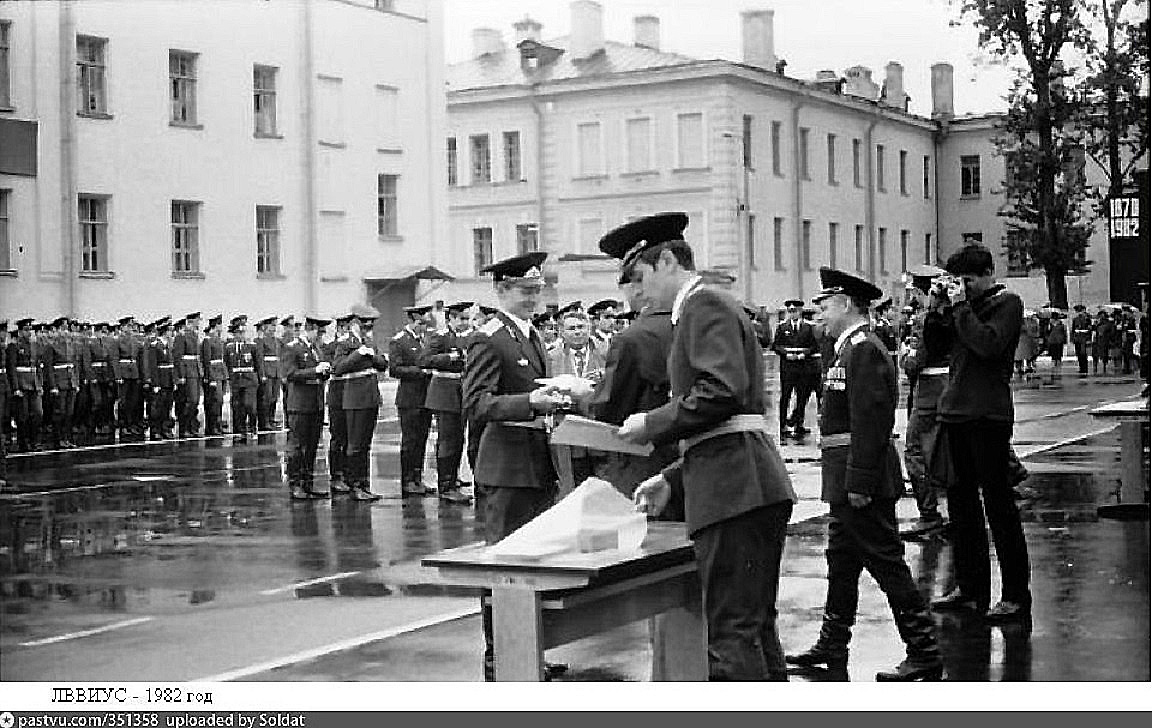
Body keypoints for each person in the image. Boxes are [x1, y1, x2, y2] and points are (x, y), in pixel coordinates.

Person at [616, 213, 797, 681]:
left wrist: (651, 423)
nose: (637, 292)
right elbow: (725, 418)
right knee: (753, 628)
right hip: (743, 481)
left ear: (669, 260)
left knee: (732, 634)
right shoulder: (705, 306)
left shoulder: (702, 306)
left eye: (640, 276)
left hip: (734, 490)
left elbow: (721, 393)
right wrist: (672, 479)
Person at [786, 266, 943, 682]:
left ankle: (924, 649)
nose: (817, 311)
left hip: (862, 478)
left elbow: (871, 421)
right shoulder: (844, 347)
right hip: (845, 477)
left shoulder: (863, 349)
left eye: (823, 304)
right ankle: (832, 642)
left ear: (845, 304)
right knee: (841, 561)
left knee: (886, 562)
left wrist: (858, 481)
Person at [462, 250, 569, 681]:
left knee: (533, 566)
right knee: (505, 568)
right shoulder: (490, 337)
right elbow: (477, 402)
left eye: (536, 290)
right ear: (501, 290)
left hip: (536, 463)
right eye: (525, 291)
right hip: (506, 467)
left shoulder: (529, 334)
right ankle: (499, 656)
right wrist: (530, 402)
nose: (532, 298)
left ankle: (529, 650)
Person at [928, 243, 1031, 624]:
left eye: (968, 281)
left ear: (987, 273)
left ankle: (1016, 594)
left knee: (999, 505)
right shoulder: (961, 309)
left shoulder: (1007, 303)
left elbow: (988, 345)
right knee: (961, 506)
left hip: (988, 413)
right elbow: (935, 348)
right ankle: (970, 587)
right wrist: (936, 309)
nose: (964, 288)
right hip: (955, 412)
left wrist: (960, 308)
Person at [587, 244, 679, 517]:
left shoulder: (634, 337)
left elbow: (609, 408)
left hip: (642, 464)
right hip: (686, 466)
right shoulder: (692, 322)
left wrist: (584, 396)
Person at [899, 265, 950, 538]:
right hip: (952, 384)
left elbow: (914, 363)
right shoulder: (953, 313)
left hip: (930, 388)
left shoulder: (923, 319)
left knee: (915, 451)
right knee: (948, 450)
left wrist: (903, 357)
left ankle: (929, 513)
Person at [330, 305, 387, 502]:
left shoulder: (369, 341)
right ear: (355, 323)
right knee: (355, 445)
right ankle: (354, 485)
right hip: (354, 398)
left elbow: (382, 365)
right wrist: (358, 354)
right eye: (364, 324)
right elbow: (337, 368)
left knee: (365, 445)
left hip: (370, 396)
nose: (367, 328)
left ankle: (364, 484)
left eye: (369, 325)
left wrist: (372, 355)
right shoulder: (346, 342)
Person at [421, 301, 475, 504]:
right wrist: (450, 357)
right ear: (451, 319)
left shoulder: (470, 337)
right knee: (448, 440)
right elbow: (424, 360)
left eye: (467, 319)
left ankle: (453, 480)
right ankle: (446, 486)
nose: (465, 322)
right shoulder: (440, 337)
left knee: (458, 440)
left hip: (461, 390)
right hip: (444, 391)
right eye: (461, 319)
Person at [282, 317, 333, 500]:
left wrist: (325, 372)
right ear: (309, 329)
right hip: (300, 405)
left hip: (315, 403)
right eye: (318, 332)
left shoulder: (316, 349)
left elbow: (319, 373)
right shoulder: (293, 347)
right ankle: (296, 484)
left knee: (312, 447)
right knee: (298, 447)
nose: (320, 336)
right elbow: (290, 374)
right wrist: (315, 371)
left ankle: (308, 483)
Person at [390, 305, 435, 497]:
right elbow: (394, 369)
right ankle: (407, 480)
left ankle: (418, 478)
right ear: (412, 321)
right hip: (409, 398)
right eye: (420, 324)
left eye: (425, 325)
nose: (423, 328)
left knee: (422, 440)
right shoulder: (399, 341)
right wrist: (420, 372)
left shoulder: (425, 340)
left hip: (426, 397)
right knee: (410, 441)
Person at [772, 299, 821, 440]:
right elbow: (776, 345)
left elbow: (814, 346)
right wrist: (786, 354)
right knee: (785, 396)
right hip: (787, 367)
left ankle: (799, 424)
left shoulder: (808, 327)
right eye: (790, 311)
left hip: (803, 366)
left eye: (795, 311)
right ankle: (782, 426)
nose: (792, 314)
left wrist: (802, 354)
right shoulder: (782, 327)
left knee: (801, 397)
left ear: (800, 312)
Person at [225, 317, 262, 442]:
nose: (241, 335)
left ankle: (252, 427)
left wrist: (260, 378)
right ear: (234, 334)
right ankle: (239, 431)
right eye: (238, 333)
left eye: (242, 333)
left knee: (249, 405)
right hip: (236, 380)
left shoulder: (252, 346)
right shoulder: (229, 347)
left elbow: (258, 364)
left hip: (249, 379)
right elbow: (227, 364)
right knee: (237, 406)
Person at [143, 317, 177, 441]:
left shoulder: (170, 345)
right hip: (160, 379)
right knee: (157, 405)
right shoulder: (155, 345)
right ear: (164, 331)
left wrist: (174, 380)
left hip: (168, 379)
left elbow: (172, 364)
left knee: (167, 405)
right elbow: (153, 366)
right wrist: (155, 383)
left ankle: (165, 428)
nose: (171, 333)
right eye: (169, 330)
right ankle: (155, 429)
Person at [200, 315, 228, 436]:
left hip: (220, 372)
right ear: (216, 326)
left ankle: (217, 424)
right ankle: (211, 426)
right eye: (220, 325)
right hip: (213, 373)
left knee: (220, 401)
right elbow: (207, 360)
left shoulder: (218, 339)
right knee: (214, 401)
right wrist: (210, 377)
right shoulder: (207, 340)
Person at [255, 316, 283, 431]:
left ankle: (271, 419)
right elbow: (260, 358)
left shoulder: (276, 340)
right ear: (265, 326)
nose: (274, 328)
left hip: (276, 371)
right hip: (267, 371)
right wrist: (262, 374)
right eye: (272, 325)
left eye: (275, 325)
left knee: (274, 397)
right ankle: (264, 422)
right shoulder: (261, 340)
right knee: (266, 397)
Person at [1070, 304, 1093, 376]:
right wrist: (1073, 338)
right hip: (1077, 339)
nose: (1079, 313)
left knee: (1083, 354)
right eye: (1077, 311)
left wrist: (1088, 338)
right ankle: (1081, 367)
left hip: (1084, 338)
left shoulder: (1087, 319)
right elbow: (1073, 329)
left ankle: (1084, 368)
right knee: (1078, 354)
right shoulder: (1075, 319)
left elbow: (1089, 329)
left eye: (1080, 311)